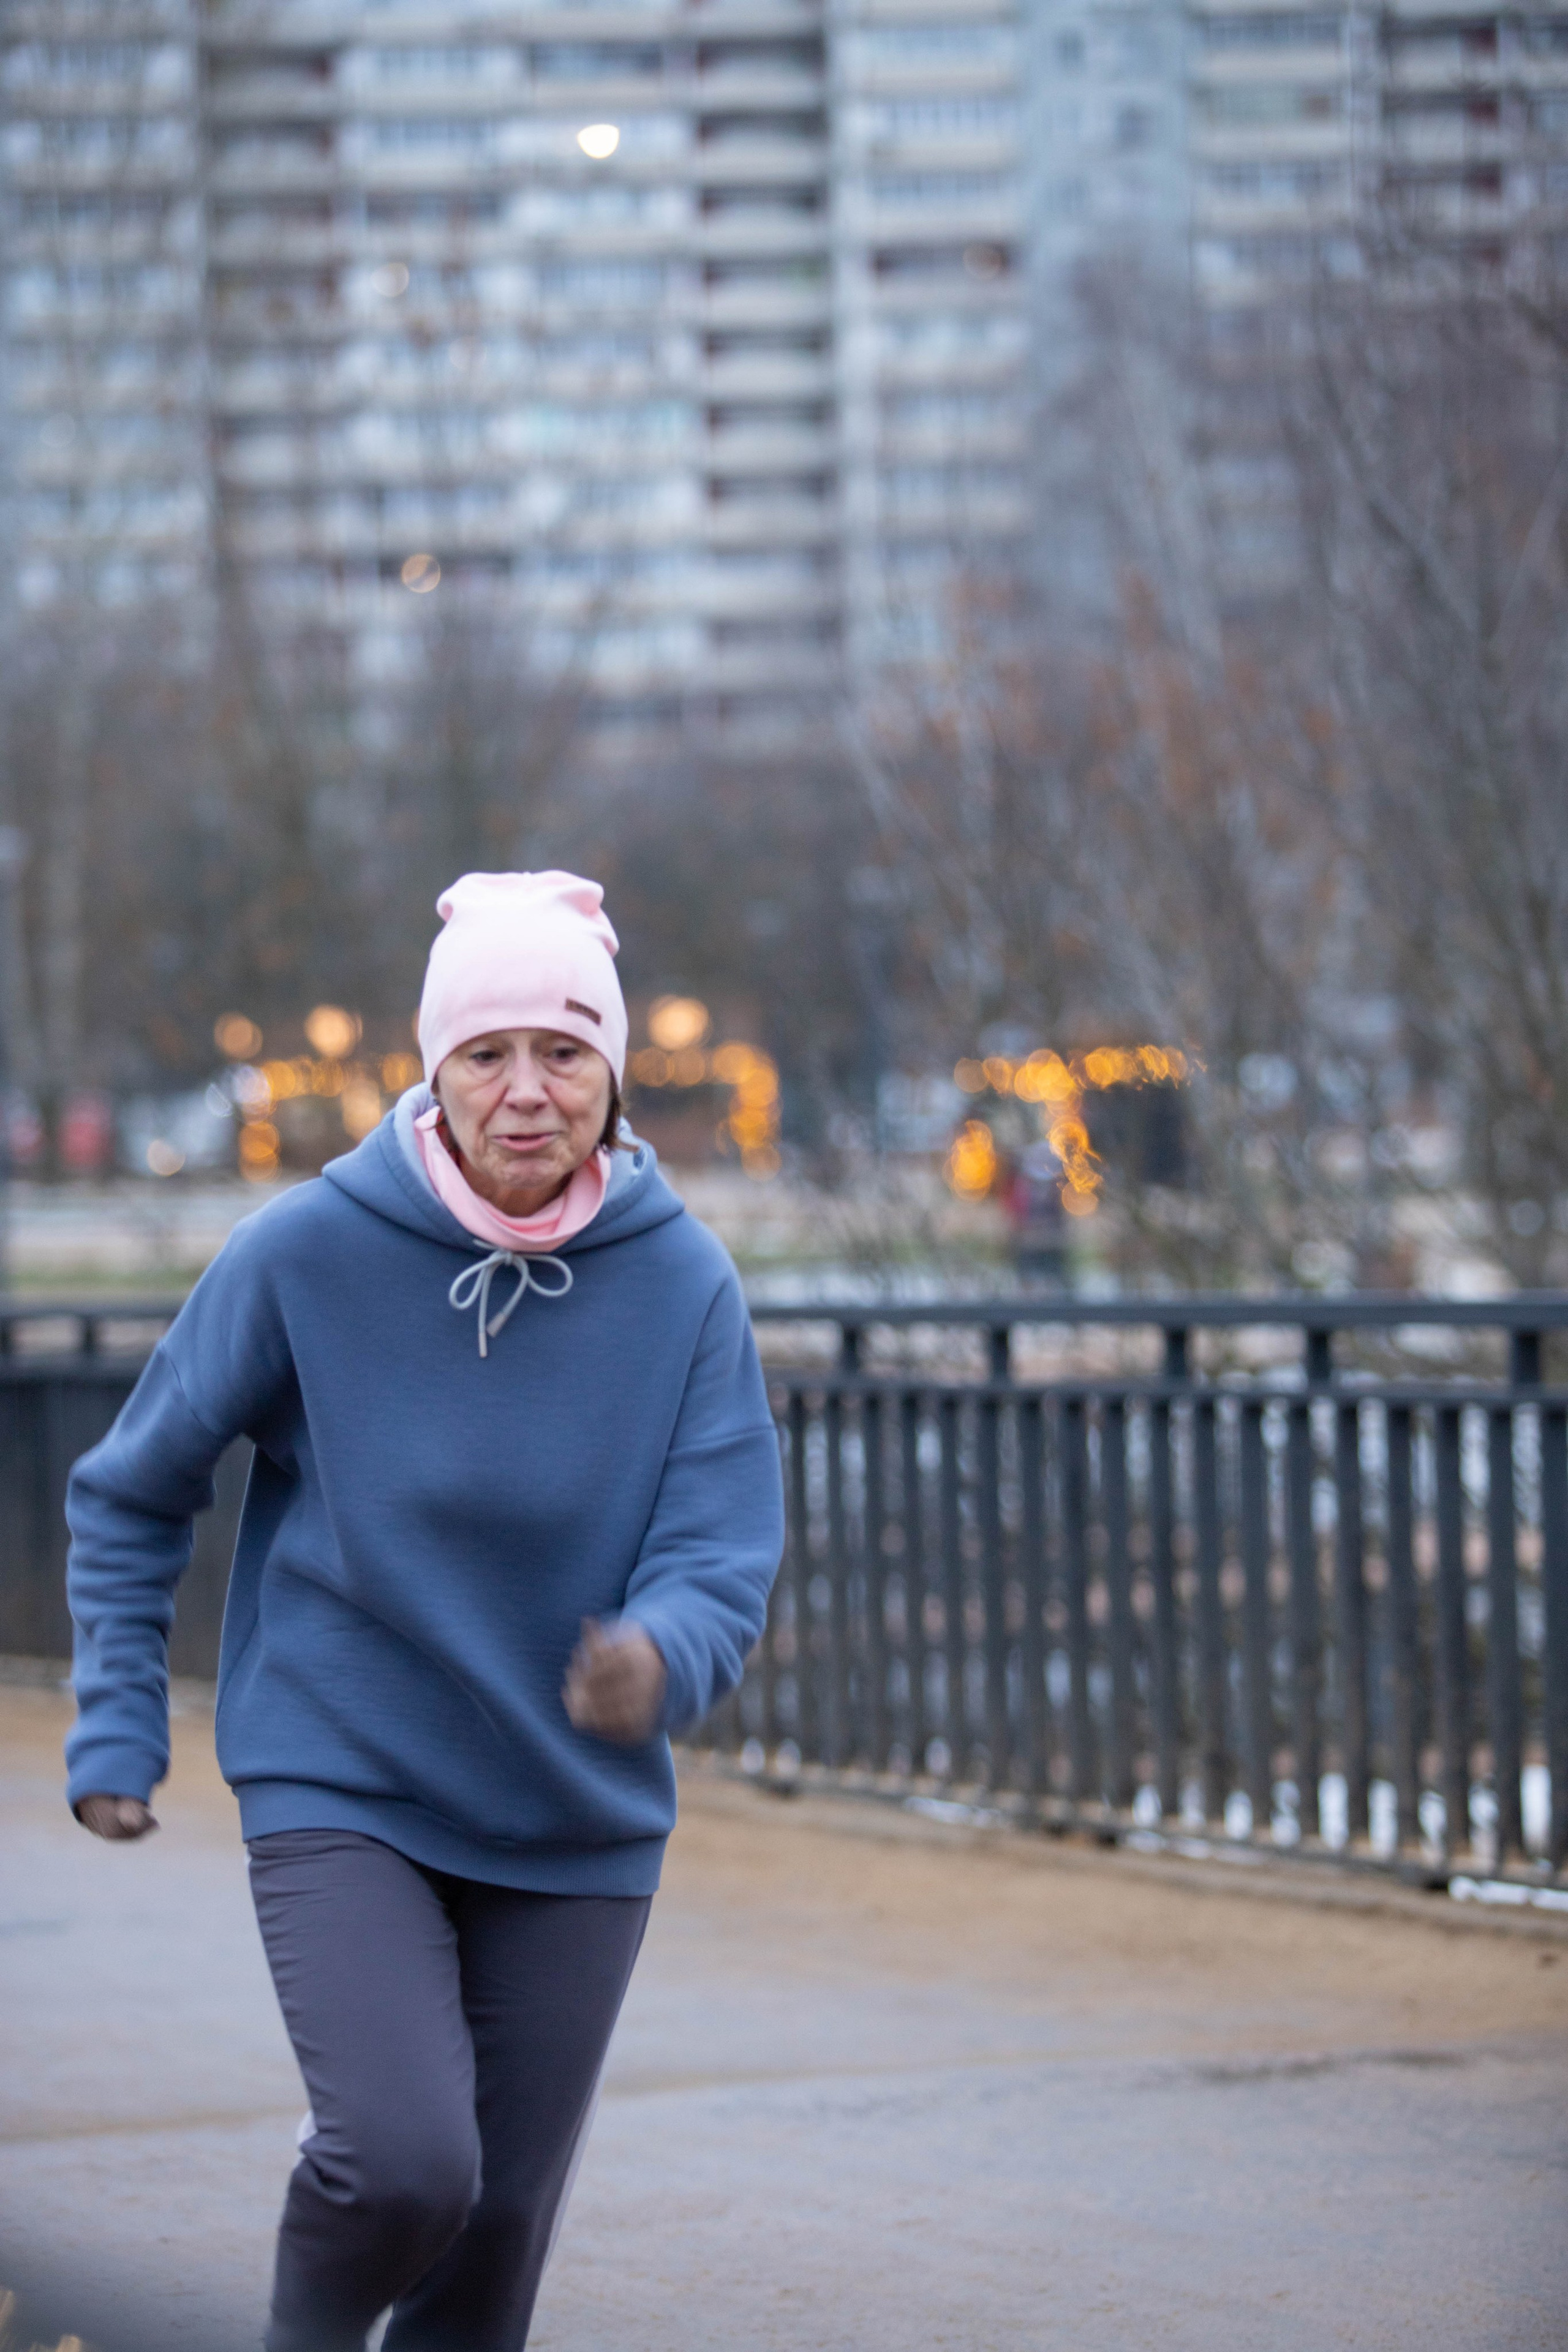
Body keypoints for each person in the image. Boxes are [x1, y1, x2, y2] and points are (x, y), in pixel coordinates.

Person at [64, 870, 785, 2352]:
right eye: (485, 1054)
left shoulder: (684, 1285)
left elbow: (721, 1549)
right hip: (346, 1774)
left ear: (614, 1070)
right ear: (433, 1070)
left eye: (564, 1053)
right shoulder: (306, 1252)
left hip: (574, 1806)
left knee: (494, 2236)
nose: (526, 1093)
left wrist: (660, 1654)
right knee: (402, 2164)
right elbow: (132, 1488)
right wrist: (119, 1719)